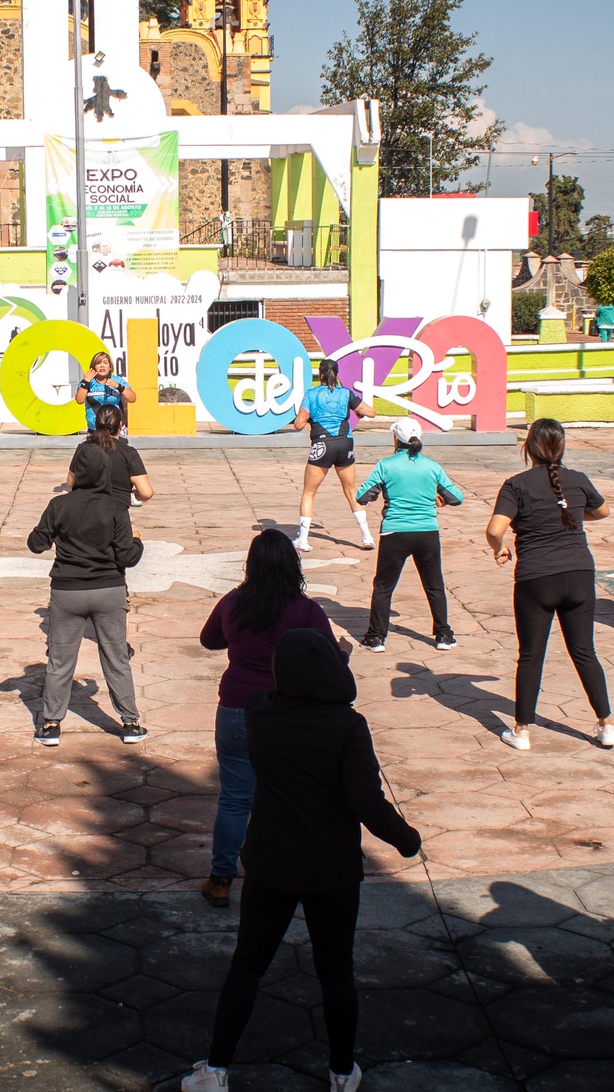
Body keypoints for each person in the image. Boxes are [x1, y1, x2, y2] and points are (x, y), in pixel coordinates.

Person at [182, 628, 421, 1092]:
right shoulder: (348, 727)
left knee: (247, 964)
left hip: (271, 860)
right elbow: (366, 803)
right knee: (336, 972)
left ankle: (215, 1069)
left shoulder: (260, 714)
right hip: (330, 868)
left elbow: (282, 690)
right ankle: (341, 1072)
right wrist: (406, 840)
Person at [197, 529, 344, 908]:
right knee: (287, 796)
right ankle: (281, 875)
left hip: (235, 707)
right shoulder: (306, 610)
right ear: (292, 566)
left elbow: (209, 640)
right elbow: (329, 657)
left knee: (234, 798)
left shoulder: (234, 602)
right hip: (286, 712)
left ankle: (220, 878)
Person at [484, 418, 614, 751]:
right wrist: (570, 515)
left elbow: (495, 529)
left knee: (530, 656)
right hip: (579, 575)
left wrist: (499, 549)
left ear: (529, 446)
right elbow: (603, 512)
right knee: (585, 652)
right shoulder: (578, 480)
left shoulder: (516, 485)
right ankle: (607, 725)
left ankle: (522, 731)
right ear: (562, 446)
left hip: (536, 579)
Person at [28, 446, 147, 746]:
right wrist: (137, 542)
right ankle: (130, 722)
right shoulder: (116, 508)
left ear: (77, 473)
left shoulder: (58, 506)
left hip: (67, 592)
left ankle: (51, 725)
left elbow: (36, 544)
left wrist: (51, 534)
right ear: (104, 472)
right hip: (109, 591)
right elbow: (128, 557)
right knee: (116, 657)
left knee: (60, 659)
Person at [354, 418, 464, 653]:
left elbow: (362, 496)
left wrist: (382, 493)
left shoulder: (385, 465)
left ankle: (376, 638)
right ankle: (444, 635)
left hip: (395, 532)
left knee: (383, 586)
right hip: (427, 532)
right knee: (434, 584)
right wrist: (436, 497)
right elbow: (457, 498)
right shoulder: (432, 467)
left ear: (395, 439)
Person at [291, 358, 378, 553]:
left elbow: (298, 424)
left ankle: (303, 540)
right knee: (351, 491)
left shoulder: (312, 394)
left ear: (319, 374)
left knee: (309, 492)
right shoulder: (346, 393)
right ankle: (367, 537)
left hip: (322, 444)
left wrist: (306, 416)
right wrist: (358, 413)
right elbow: (370, 412)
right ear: (336, 374)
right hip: (344, 444)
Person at [68, 404, 152, 506]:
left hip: (86, 513)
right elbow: (146, 493)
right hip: (116, 514)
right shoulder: (128, 452)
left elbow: (70, 482)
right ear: (120, 425)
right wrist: (135, 492)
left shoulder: (83, 448)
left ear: (95, 424)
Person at [73, 351, 136, 434]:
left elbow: (132, 398)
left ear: (110, 367)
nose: (102, 365)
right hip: (95, 429)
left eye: (105, 363)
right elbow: (79, 400)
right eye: (98, 363)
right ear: (93, 367)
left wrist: (119, 386)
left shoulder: (118, 380)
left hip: (115, 429)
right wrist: (86, 382)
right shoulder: (87, 382)